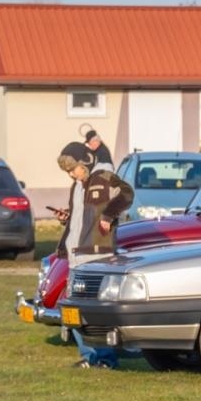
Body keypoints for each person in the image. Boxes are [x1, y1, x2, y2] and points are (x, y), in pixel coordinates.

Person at [57, 147, 134, 369]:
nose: (71, 174)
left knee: (95, 311)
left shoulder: (103, 178)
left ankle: (106, 358)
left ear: (86, 162)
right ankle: (90, 356)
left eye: (74, 169)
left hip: (96, 254)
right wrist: (67, 218)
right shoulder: (76, 187)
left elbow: (127, 193)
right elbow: (81, 219)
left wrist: (109, 215)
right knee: (74, 312)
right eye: (68, 171)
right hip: (75, 255)